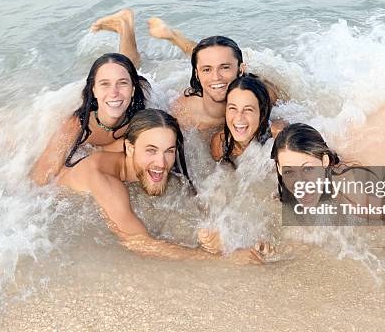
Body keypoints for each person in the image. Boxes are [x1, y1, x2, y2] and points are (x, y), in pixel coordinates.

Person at [57, 108, 267, 263]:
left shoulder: (157, 170)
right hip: (56, 214)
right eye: (151, 150)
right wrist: (225, 261)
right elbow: (138, 243)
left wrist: (229, 241)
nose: (162, 162)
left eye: (169, 151)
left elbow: (201, 211)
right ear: (129, 148)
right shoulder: (103, 179)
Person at [90, 9, 281, 130]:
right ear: (196, 74)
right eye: (205, 71)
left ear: (241, 70)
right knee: (131, 72)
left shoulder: (262, 93)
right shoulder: (183, 113)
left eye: (226, 68)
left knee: (211, 57)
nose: (216, 77)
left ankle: (174, 36)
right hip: (177, 92)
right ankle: (124, 25)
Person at [270, 97, 385, 216]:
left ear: (324, 162)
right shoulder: (289, 157)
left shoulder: (354, 196)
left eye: (308, 169)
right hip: (374, 132)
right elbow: (280, 131)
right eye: (289, 172)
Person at [31, 53, 149, 185]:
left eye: (122, 83)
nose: (114, 92)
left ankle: (126, 32)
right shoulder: (76, 126)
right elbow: (40, 176)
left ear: (133, 90)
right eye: (105, 84)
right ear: (94, 90)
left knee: (133, 63)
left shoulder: (140, 121)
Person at [209, 76, 284, 163]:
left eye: (248, 109)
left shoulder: (277, 133)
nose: (239, 117)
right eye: (233, 108)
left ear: (262, 113)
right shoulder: (220, 144)